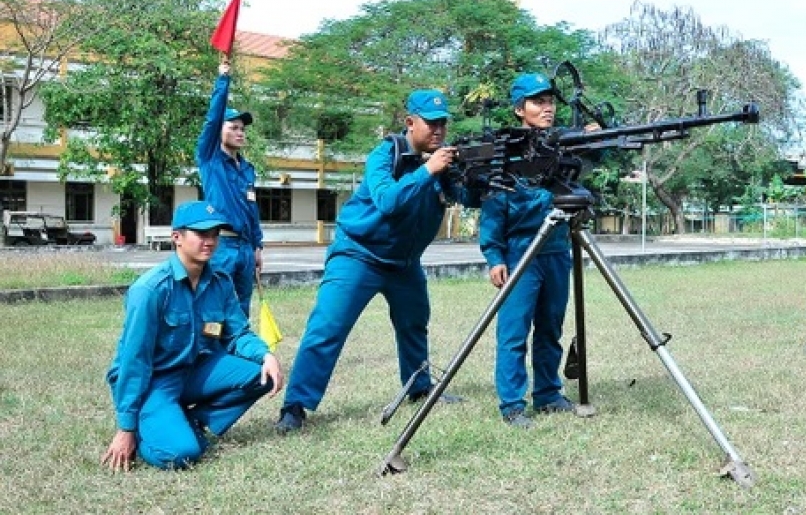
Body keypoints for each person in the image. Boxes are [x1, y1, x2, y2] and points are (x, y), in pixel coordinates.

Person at [276, 89, 479, 433]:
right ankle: (295, 406)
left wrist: (479, 175)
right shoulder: (386, 154)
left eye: (443, 124)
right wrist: (428, 169)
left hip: (404, 262)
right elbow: (386, 200)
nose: (438, 131)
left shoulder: (442, 162)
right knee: (327, 328)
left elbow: (469, 198)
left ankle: (418, 388)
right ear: (410, 122)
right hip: (358, 255)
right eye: (431, 124)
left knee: (414, 325)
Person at [102, 201, 283, 471]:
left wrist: (266, 354)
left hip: (192, 371)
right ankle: (145, 429)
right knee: (182, 454)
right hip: (154, 380)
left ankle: (193, 420)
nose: (209, 241)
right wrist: (125, 427)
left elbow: (237, 333)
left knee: (262, 374)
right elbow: (134, 360)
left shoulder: (219, 282)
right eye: (201, 234)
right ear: (177, 237)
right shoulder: (151, 290)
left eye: (215, 234)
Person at [479, 73, 576, 429]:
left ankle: (549, 393)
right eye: (538, 102)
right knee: (514, 331)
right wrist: (494, 256)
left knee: (551, 328)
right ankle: (512, 404)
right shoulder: (505, 153)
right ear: (520, 109)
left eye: (550, 101)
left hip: (557, 249)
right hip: (520, 251)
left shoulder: (562, 144)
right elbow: (492, 209)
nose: (547, 108)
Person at [196, 60, 263, 317]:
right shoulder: (210, 159)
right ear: (219, 132)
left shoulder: (247, 169)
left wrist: (257, 247)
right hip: (221, 244)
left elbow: (252, 210)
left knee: (243, 308)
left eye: (242, 129)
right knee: (215, 305)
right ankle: (212, 354)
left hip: (245, 248)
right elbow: (213, 119)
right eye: (233, 127)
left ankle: (239, 354)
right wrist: (223, 80)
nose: (240, 133)